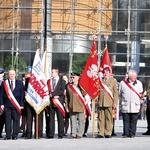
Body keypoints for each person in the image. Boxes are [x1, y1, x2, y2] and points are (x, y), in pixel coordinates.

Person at [0, 69, 24, 140]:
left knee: (16, 120)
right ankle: (8, 135)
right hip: (7, 105)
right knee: (7, 121)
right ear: (8, 75)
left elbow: (22, 95)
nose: (12, 75)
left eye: (13, 74)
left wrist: (22, 104)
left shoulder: (20, 83)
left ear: (15, 75)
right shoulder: (4, 83)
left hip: (16, 105)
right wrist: (1, 104)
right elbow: (1, 95)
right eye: (10, 74)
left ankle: (14, 135)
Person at [119, 69, 143, 138]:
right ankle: (126, 133)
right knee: (126, 121)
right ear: (129, 76)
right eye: (133, 76)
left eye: (135, 76)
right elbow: (120, 93)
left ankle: (132, 133)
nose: (135, 77)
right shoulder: (122, 83)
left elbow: (141, 94)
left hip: (135, 105)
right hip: (126, 105)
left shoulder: (139, 83)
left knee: (134, 120)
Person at [96, 67, 118, 138]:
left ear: (110, 73)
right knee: (100, 118)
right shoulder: (100, 81)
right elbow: (97, 91)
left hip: (109, 102)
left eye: (107, 72)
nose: (105, 74)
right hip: (101, 102)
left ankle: (108, 132)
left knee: (109, 118)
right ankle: (101, 132)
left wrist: (115, 102)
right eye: (104, 72)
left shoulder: (113, 81)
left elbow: (115, 93)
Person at [47, 68, 66, 139]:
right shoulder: (49, 81)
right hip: (51, 102)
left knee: (60, 118)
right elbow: (47, 90)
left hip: (59, 102)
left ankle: (60, 134)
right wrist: (51, 95)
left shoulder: (62, 81)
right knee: (51, 119)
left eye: (52, 72)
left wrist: (53, 94)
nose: (51, 73)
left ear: (56, 73)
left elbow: (62, 91)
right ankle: (51, 134)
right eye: (51, 72)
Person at [65, 72, 85, 139]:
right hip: (72, 105)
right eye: (71, 77)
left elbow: (85, 94)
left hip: (80, 105)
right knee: (72, 120)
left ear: (78, 78)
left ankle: (79, 133)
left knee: (80, 120)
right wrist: (66, 106)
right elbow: (67, 97)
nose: (72, 78)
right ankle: (73, 133)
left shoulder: (81, 85)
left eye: (73, 77)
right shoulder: (69, 86)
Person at [25, 72, 44, 139]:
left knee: (39, 119)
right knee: (29, 119)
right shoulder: (28, 80)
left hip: (38, 102)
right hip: (30, 102)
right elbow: (26, 89)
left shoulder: (41, 79)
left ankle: (38, 134)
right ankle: (29, 134)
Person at [0, 68, 5, 138]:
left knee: (2, 119)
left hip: (2, 102)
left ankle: (0, 132)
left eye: (0, 73)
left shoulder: (5, 82)